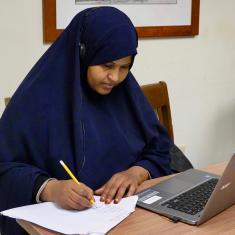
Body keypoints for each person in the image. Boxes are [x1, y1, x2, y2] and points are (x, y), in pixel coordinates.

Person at [0, 6, 172, 235]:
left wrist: (137, 172)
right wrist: (51, 189)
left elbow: (159, 148)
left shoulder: (125, 94)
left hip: (131, 220)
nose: (115, 77)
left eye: (124, 67)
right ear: (82, 53)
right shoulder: (35, 100)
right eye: (107, 65)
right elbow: (4, 168)